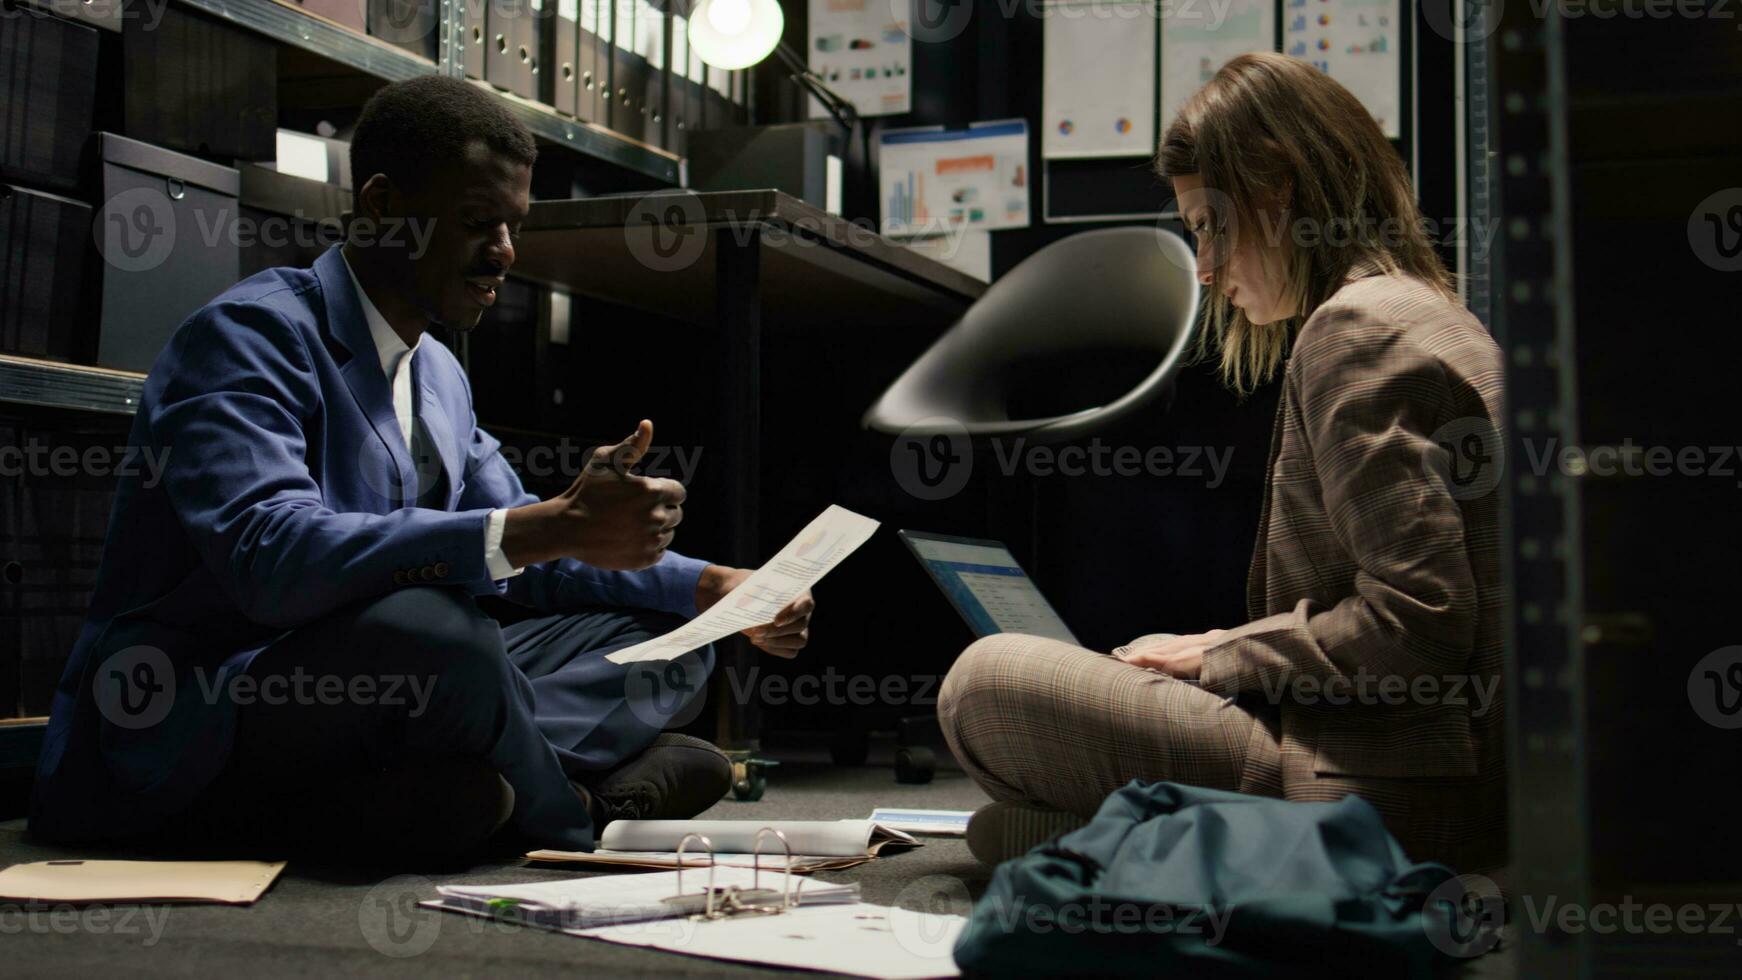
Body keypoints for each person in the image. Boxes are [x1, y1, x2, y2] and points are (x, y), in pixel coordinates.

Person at [30, 76, 814, 862]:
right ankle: (567, 811)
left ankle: (453, 786)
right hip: (217, 699)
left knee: (671, 640)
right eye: (479, 222)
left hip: (389, 686)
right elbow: (272, 560)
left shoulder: (438, 372)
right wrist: (541, 528)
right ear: (381, 205)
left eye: (514, 225)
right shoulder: (245, 337)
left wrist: (710, 584)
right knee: (438, 630)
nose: (504, 252)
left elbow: (526, 555)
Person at [937, 52, 1507, 878]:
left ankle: (1212, 850)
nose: (1202, 269)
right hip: (1455, 776)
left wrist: (1220, 658)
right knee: (1000, 833)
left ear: (1278, 189)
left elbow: (1421, 621)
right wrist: (1226, 640)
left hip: (1393, 789)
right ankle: (1161, 850)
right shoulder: (1430, 313)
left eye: (1208, 225)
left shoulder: (1358, 330)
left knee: (985, 682)